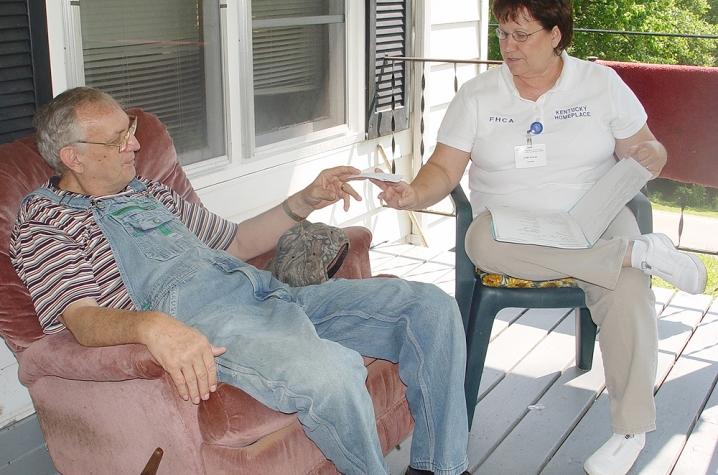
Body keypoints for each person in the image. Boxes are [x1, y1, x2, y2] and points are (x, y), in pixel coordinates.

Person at [10, 87, 471, 475]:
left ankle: (438, 467)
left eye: (131, 130)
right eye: (118, 140)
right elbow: (82, 319)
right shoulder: (44, 220)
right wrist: (151, 327)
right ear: (74, 157)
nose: (135, 145)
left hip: (262, 291)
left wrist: (308, 198)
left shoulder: (147, 191)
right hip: (212, 327)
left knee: (429, 306)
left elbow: (235, 241)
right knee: (330, 374)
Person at [374, 1, 707, 474]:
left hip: (597, 213)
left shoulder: (600, 84)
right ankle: (635, 254)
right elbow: (444, 169)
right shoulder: (478, 95)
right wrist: (412, 195)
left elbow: (644, 147)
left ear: (556, 35)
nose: (508, 47)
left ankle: (631, 430)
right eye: (503, 33)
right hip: (513, 224)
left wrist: (651, 153)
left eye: (521, 35)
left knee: (628, 288)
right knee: (479, 243)